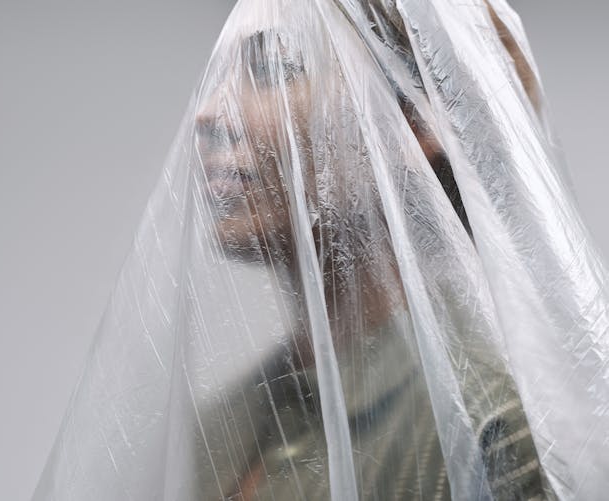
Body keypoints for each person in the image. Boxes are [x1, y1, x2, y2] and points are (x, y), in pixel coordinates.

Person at [189, 3, 555, 499]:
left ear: (417, 121)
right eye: (221, 72)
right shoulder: (219, 425)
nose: (207, 112)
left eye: (274, 66)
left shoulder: (490, 423)